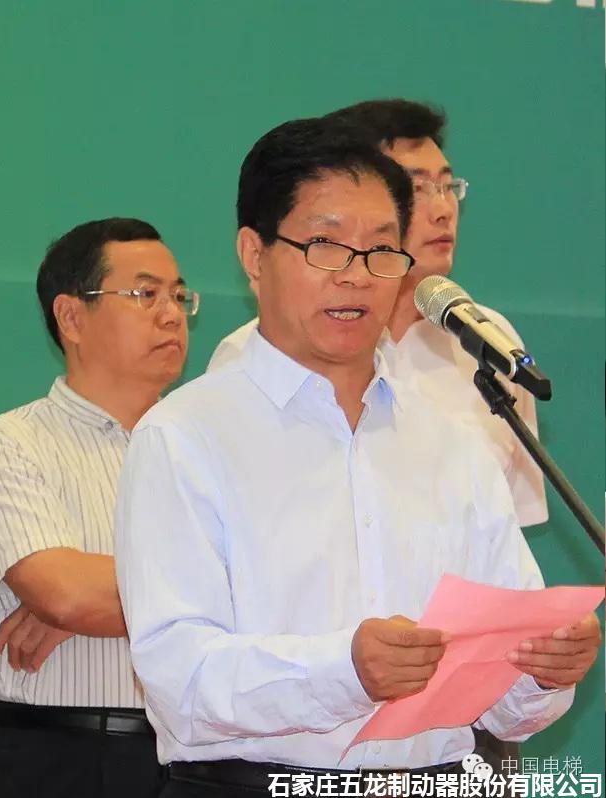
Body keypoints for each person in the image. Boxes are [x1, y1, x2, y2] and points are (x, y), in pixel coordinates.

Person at [115, 119, 600, 798]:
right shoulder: (184, 436)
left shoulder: (455, 444)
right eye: (325, 246)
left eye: (380, 251)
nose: (356, 276)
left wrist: (545, 668)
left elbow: (507, 711)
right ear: (254, 255)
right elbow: (179, 679)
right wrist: (344, 670)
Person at [209, 99, 547, 529]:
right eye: (416, 188)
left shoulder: (487, 340)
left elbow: (510, 529)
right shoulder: (250, 357)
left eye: (447, 186)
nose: (443, 209)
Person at [0, 217, 199, 798]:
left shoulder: (214, 452)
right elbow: (66, 593)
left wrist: (105, 601)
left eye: (178, 296)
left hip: (196, 761)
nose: (171, 314)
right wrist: (216, 591)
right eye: (145, 294)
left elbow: (286, 596)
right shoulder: (5, 446)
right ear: (71, 317)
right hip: (56, 758)